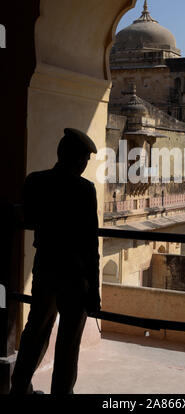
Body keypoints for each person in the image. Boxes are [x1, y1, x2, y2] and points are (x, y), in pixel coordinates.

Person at [10, 128, 101, 395]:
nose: (86, 164)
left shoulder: (35, 181)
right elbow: (90, 244)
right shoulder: (85, 190)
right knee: (68, 343)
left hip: (45, 265)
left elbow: (30, 219)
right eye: (85, 158)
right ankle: (61, 394)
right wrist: (94, 291)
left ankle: (20, 387)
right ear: (75, 158)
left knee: (36, 331)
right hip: (74, 275)